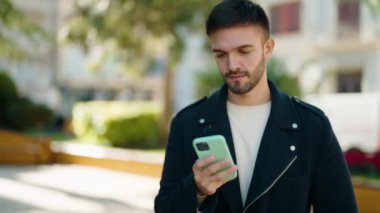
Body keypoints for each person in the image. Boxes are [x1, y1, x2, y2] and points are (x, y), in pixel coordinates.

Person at [154, 0, 358, 212]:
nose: (232, 65)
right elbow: (164, 208)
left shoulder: (311, 125)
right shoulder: (187, 123)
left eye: (244, 51)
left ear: (267, 48)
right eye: (221, 54)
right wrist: (196, 189)